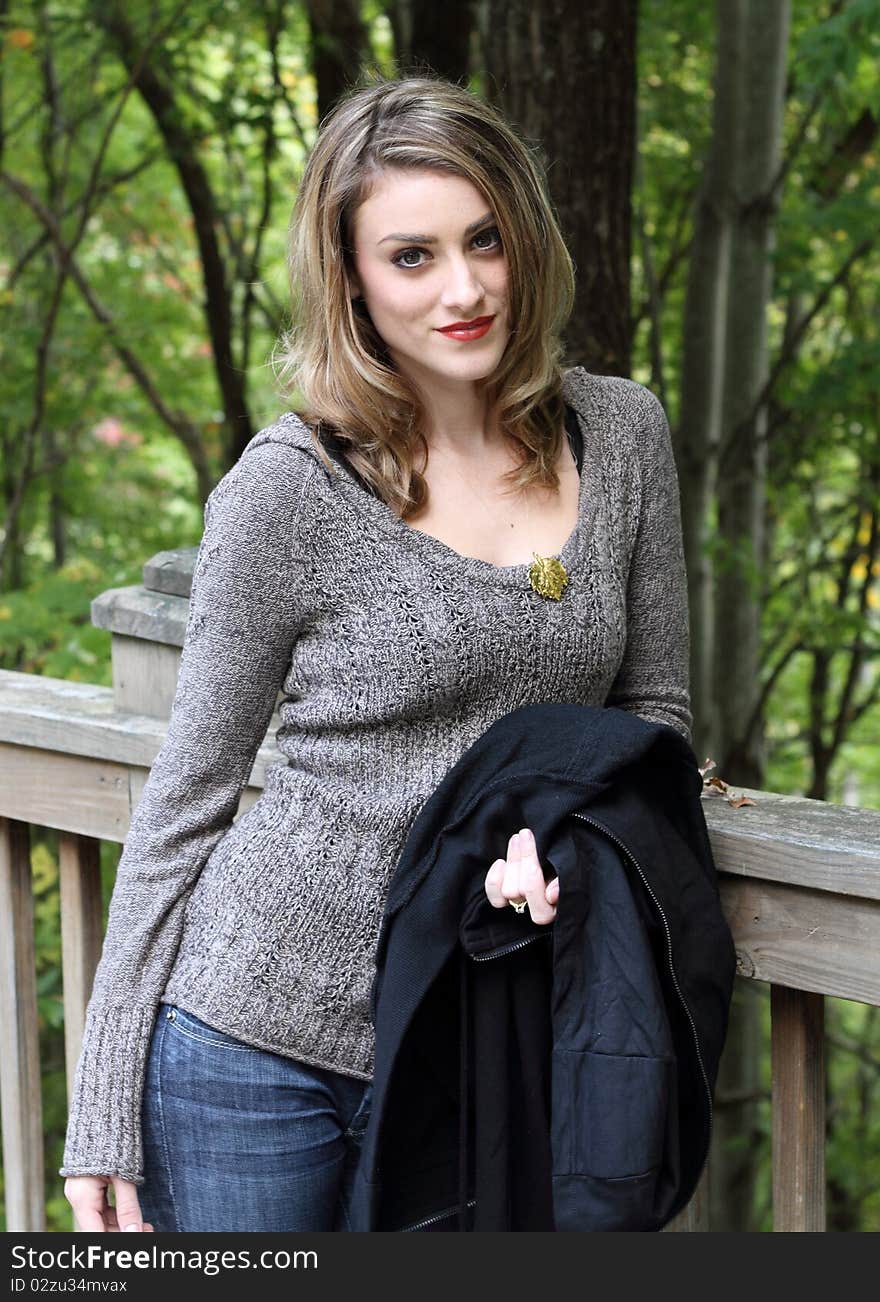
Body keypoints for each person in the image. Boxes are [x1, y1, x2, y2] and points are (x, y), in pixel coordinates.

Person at [61, 72, 692, 1233]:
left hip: (482, 1032)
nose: (464, 289)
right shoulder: (287, 492)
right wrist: (99, 1112)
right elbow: (185, 802)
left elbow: (652, 717)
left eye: (486, 240)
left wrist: (556, 832)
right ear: (349, 276)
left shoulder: (622, 434)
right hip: (256, 1052)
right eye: (411, 257)